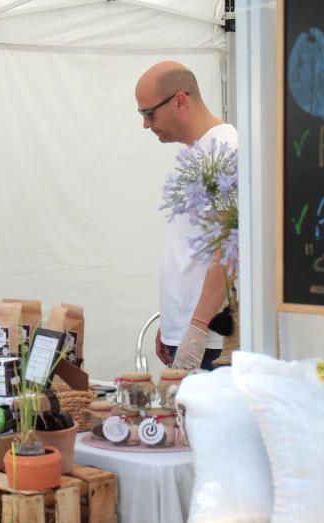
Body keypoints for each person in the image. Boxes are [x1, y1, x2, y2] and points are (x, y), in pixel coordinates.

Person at [135, 61, 237, 371]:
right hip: (190, 328)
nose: (146, 125)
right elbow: (191, 247)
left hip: (208, 338)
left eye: (148, 113)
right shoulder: (198, 151)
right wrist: (172, 321)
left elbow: (231, 250)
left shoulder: (224, 149)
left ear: (180, 100)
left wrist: (196, 328)